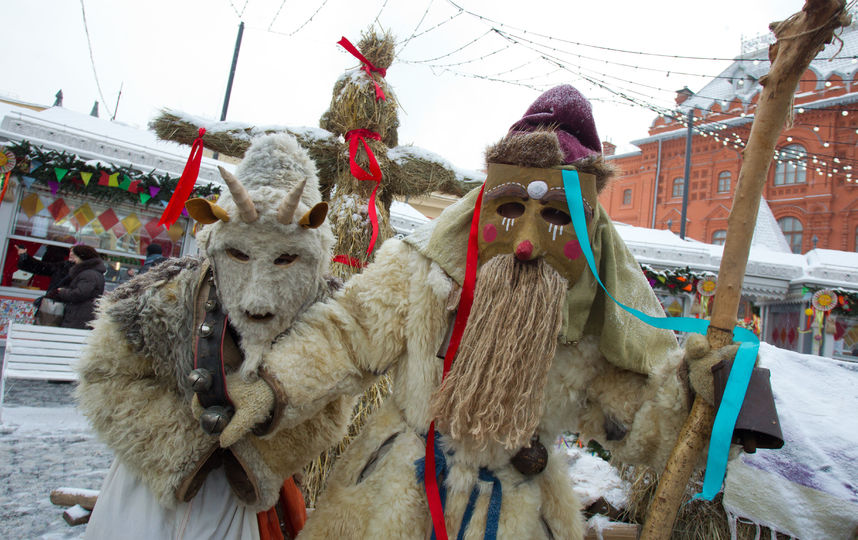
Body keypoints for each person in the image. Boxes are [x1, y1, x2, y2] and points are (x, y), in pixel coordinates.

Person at [220, 86, 749, 539]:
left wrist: (698, 399)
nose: (525, 244)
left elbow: (636, 427)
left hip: (519, 508)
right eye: (512, 208)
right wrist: (273, 387)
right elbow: (348, 332)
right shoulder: (424, 269)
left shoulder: (589, 316)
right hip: (394, 496)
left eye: (557, 217)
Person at [75, 134, 354, 540]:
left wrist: (260, 447)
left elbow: (332, 411)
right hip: (150, 492)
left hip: (247, 497)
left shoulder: (327, 316)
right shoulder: (167, 296)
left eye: (286, 257)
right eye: (239, 254)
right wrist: (181, 448)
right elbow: (105, 374)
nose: (257, 297)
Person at [43, 244, 107, 329]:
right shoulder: (92, 272)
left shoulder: (89, 274)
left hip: (79, 315)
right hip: (80, 314)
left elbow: (80, 293)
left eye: (75, 257)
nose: (74, 261)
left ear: (82, 257)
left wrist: (62, 292)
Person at [16, 244, 73, 326]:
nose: (70, 255)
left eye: (73, 253)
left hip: (71, 311)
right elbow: (41, 267)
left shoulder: (87, 272)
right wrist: (24, 256)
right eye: (70, 252)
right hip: (52, 308)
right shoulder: (63, 266)